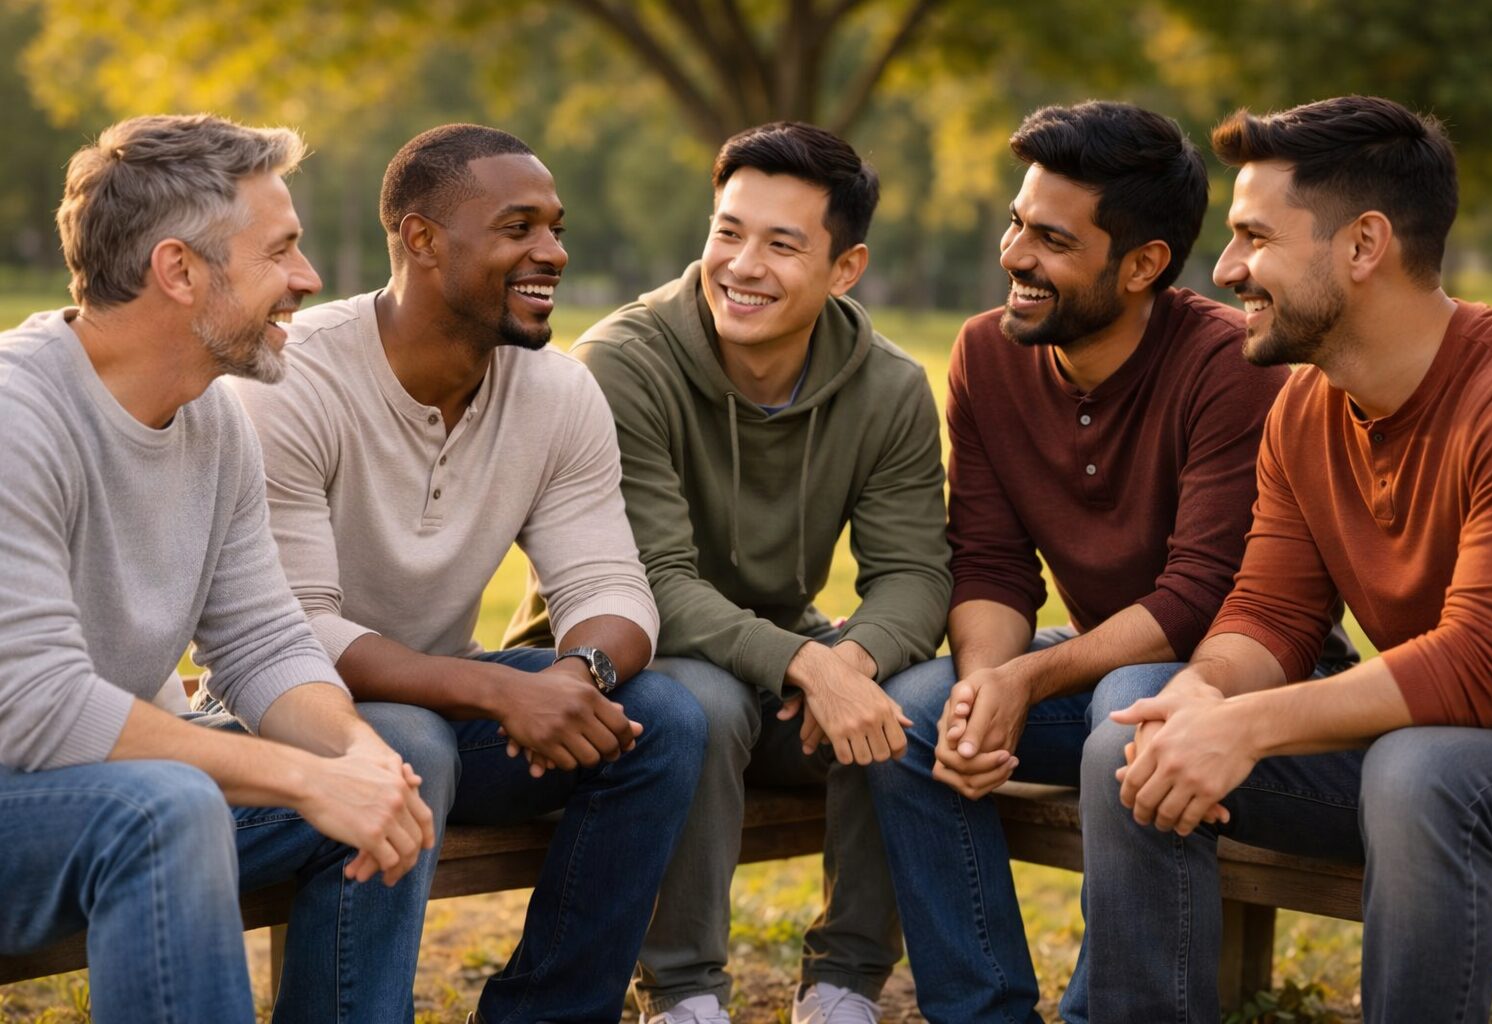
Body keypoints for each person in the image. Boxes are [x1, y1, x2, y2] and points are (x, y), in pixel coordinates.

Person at [862, 101, 1353, 1024]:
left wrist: (1028, 676)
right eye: (1017, 223)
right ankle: (982, 1012)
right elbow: (993, 563)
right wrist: (985, 691)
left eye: (1051, 239)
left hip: (1234, 680)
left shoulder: (1229, 365)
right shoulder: (985, 354)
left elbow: (1200, 594)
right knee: (915, 718)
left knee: (1118, 713)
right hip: (1092, 667)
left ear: (1143, 266)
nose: (1013, 255)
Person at [227, 123, 707, 1024]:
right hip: (281, 718)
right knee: (409, 742)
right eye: (519, 227)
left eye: (556, 228)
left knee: (664, 720)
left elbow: (612, 587)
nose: (552, 253)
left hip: (449, 714)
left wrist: (576, 676)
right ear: (421, 239)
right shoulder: (293, 382)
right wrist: (496, 692)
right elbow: (295, 632)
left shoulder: (558, 393)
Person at [1079, 94, 1492, 1023]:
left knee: (1422, 771)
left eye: (1254, 237)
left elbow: (1490, 665)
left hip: (1491, 752)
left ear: (1363, 247)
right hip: (1446, 744)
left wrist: (1248, 729)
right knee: (1136, 743)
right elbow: (1273, 614)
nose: (1227, 268)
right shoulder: (1304, 405)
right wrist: (1205, 700)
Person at [0, 114, 446, 1024]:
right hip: (39, 794)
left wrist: (358, 761)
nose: (308, 281)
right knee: (162, 809)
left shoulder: (212, 419)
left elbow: (262, 639)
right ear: (179, 270)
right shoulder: (18, 418)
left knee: (401, 763)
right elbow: (37, 708)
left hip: (93, 791)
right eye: (280, 251)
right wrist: (307, 780)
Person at [507, 121, 950, 1023]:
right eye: (728, 231)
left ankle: (843, 986)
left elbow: (914, 574)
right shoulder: (622, 365)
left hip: (780, 664)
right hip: (618, 668)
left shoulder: (891, 387)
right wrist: (810, 665)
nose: (742, 264)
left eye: (783, 245)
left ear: (846, 269)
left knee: (912, 695)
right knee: (700, 702)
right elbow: (651, 580)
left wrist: (851, 664)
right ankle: (683, 996)